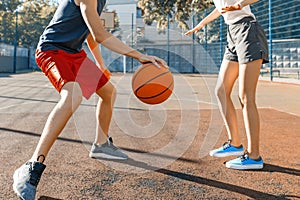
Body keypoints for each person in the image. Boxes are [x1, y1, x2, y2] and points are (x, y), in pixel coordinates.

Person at [13, 0, 167, 199]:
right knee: (73, 94)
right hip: (52, 50)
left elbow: (90, 34)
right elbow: (100, 35)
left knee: (108, 92)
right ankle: (32, 165)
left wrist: (101, 65)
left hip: (75, 54)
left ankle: (101, 145)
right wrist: (139, 56)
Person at [186, 0, 268, 170]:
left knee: (245, 96)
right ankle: (235, 143)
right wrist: (201, 24)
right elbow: (220, 9)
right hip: (233, 33)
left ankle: (254, 156)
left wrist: (240, 4)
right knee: (221, 90)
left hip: (247, 31)